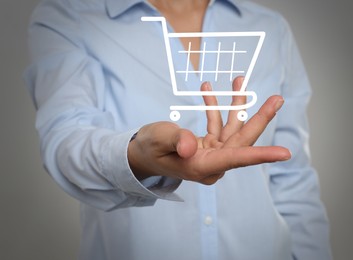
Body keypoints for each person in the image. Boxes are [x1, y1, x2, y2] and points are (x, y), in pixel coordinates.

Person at [25, 0, 332, 259]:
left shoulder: (270, 28)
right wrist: (136, 156)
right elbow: (66, 140)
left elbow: (293, 181)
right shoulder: (70, 16)